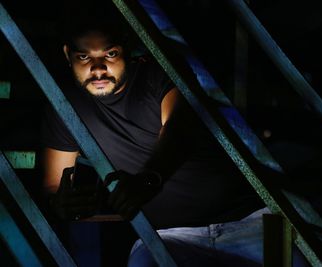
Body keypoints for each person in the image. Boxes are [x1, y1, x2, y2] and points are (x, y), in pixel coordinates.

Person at [40, 13, 269, 267]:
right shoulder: (66, 105)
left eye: (110, 54)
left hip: (247, 222)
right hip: (169, 237)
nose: (97, 68)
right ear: (67, 54)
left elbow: (178, 130)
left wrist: (149, 179)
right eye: (84, 57)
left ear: (125, 48)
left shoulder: (156, 75)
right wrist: (60, 203)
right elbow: (54, 184)